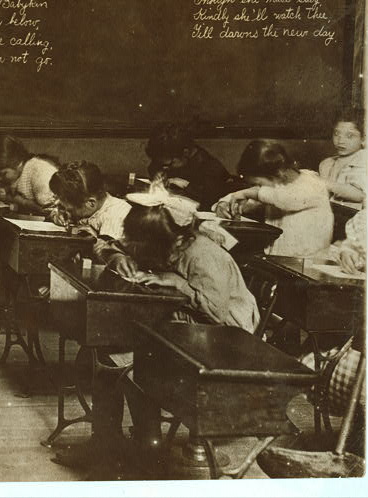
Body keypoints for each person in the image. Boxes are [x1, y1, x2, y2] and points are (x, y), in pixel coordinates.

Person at [55, 193, 259, 477]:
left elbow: (216, 313)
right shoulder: (158, 239)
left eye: (142, 244)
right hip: (178, 323)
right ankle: (107, 443)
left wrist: (177, 282)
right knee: (103, 348)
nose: (138, 248)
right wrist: (116, 257)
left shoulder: (202, 254)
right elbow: (107, 244)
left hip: (223, 337)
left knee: (128, 359)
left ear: (166, 238)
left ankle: (143, 446)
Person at [214, 140, 333, 257]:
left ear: (279, 173)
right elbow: (252, 200)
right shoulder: (276, 185)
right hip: (278, 258)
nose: (258, 188)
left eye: (259, 183)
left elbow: (284, 199)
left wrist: (245, 193)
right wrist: (225, 203)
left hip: (309, 263)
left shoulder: (313, 184)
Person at [49, 161, 132, 262]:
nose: (68, 211)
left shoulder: (114, 216)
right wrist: (58, 214)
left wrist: (93, 240)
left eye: (70, 209)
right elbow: (61, 210)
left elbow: (105, 256)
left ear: (90, 203)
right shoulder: (87, 207)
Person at [144, 123, 237, 209]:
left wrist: (186, 185)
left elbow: (211, 199)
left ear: (186, 152)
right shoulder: (170, 156)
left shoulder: (211, 167)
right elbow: (154, 166)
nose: (164, 168)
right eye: (161, 164)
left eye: (169, 165)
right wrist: (158, 173)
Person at [0, 135, 59, 216]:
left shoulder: (39, 172)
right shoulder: (6, 174)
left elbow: (48, 210)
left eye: (2, 174)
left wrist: (15, 199)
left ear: (18, 163)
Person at [318, 109, 367, 209]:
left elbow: (360, 195)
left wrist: (324, 183)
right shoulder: (326, 164)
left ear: (363, 139)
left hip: (353, 217)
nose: (340, 141)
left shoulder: (365, 160)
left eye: (349, 136)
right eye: (336, 134)